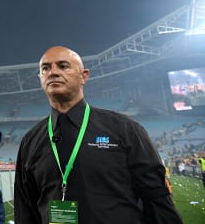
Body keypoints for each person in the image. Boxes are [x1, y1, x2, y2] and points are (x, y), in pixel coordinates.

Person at [14, 46, 183, 223]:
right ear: (40, 78)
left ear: (84, 76)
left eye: (63, 66)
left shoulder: (124, 129)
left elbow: (157, 198)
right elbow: (26, 209)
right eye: (46, 68)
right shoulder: (31, 140)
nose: (53, 72)